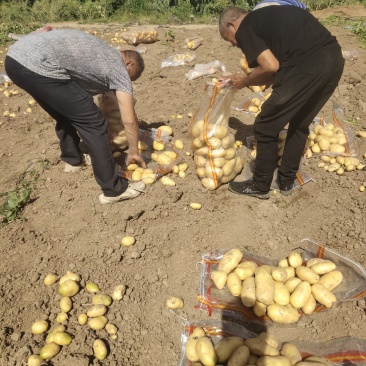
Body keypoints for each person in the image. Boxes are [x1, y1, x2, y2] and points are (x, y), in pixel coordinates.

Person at [5, 29, 146, 204]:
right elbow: (129, 119)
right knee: (94, 122)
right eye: (132, 79)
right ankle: (114, 189)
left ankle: (73, 160)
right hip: (38, 65)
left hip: (14, 60)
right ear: (130, 64)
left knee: (66, 110)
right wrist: (133, 151)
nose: (127, 83)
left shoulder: (102, 51)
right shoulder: (118, 67)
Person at [219, 6, 344, 199]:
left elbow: (270, 66)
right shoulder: (267, 19)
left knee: (265, 123)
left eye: (229, 39)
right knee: (300, 123)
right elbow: (275, 70)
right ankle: (286, 181)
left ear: (231, 25)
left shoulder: (245, 27)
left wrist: (244, 80)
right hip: (333, 61)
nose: (235, 45)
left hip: (308, 66)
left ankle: (260, 185)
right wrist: (248, 80)